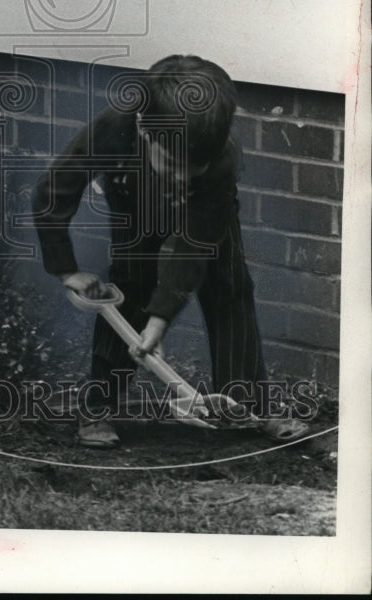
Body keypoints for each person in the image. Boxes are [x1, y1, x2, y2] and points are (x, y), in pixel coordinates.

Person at [31, 54, 308, 448]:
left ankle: (246, 402)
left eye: (192, 168)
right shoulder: (116, 127)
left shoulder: (221, 157)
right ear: (144, 130)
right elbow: (52, 190)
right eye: (172, 164)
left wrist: (160, 320)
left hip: (207, 213)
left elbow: (194, 247)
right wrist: (65, 269)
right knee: (129, 287)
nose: (180, 179)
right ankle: (98, 406)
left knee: (229, 284)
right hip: (136, 196)